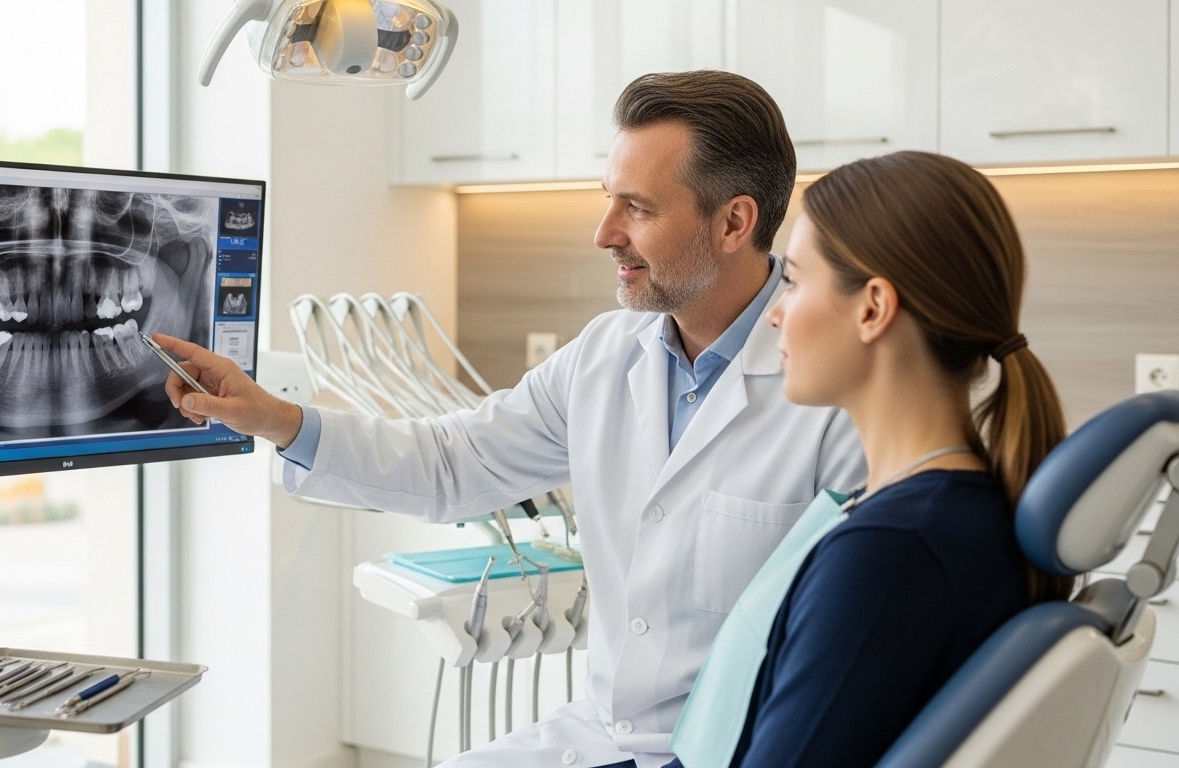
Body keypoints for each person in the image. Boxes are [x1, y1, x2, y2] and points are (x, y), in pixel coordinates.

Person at [152, 70, 865, 768]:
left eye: (637, 209)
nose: (603, 233)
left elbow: (844, 655)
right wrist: (277, 418)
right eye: (607, 200)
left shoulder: (838, 396)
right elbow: (454, 461)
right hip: (606, 736)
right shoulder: (604, 358)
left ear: (735, 221)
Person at [659, 150, 1074, 768]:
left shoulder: (893, 550)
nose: (775, 313)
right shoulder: (943, 509)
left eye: (794, 281)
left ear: (873, 309)